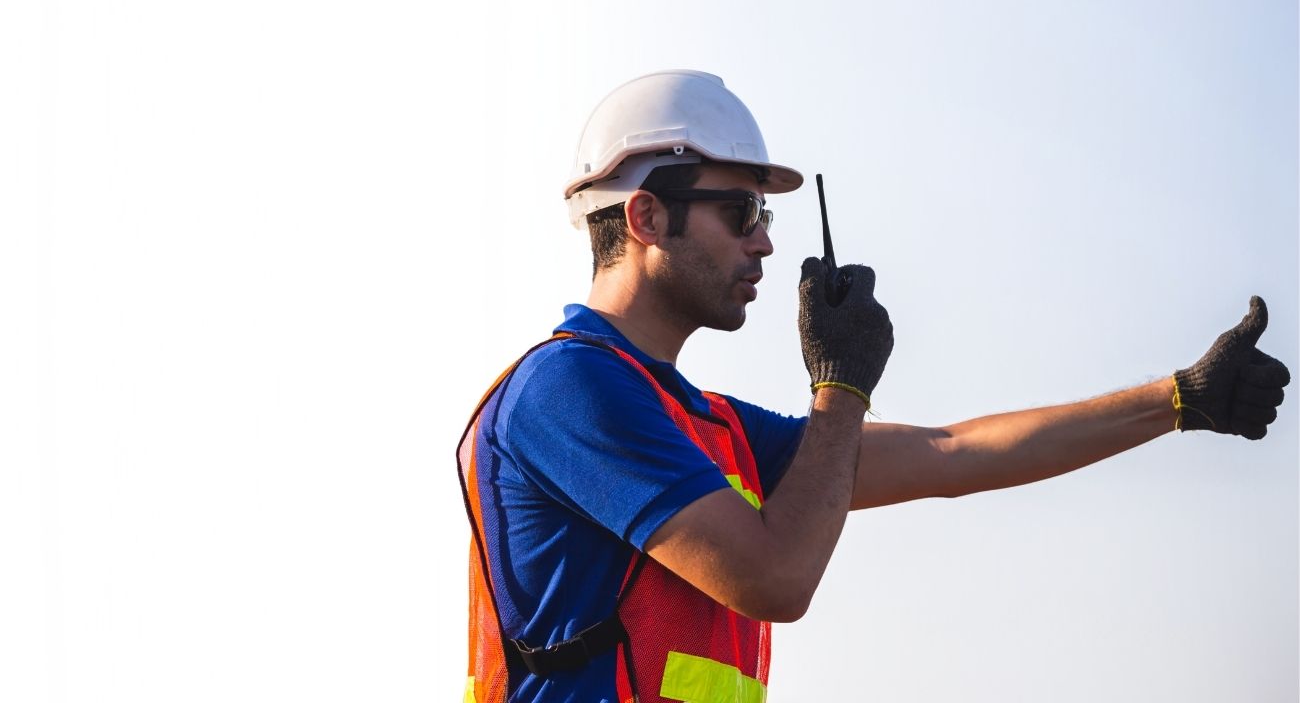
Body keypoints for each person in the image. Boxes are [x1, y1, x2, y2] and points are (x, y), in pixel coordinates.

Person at [456, 70, 1290, 703]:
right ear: (645, 219)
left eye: (768, 219)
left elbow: (951, 453)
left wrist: (1181, 398)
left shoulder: (701, 426)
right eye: (741, 214)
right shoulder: (567, 390)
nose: (764, 246)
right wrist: (841, 387)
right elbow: (775, 580)